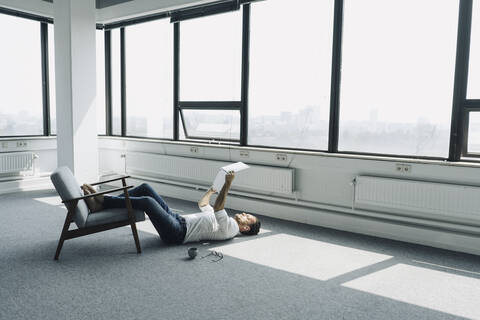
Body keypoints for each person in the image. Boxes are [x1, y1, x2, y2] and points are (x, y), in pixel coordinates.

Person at [81, 172, 261, 245]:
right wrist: (211, 190)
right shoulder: (226, 222)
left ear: (245, 228)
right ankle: (102, 203)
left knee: (146, 202)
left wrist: (228, 185)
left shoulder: (231, 228)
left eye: (248, 217)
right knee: (145, 188)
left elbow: (219, 207)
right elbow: (204, 205)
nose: (244, 214)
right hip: (177, 220)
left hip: (176, 233)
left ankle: (102, 200)